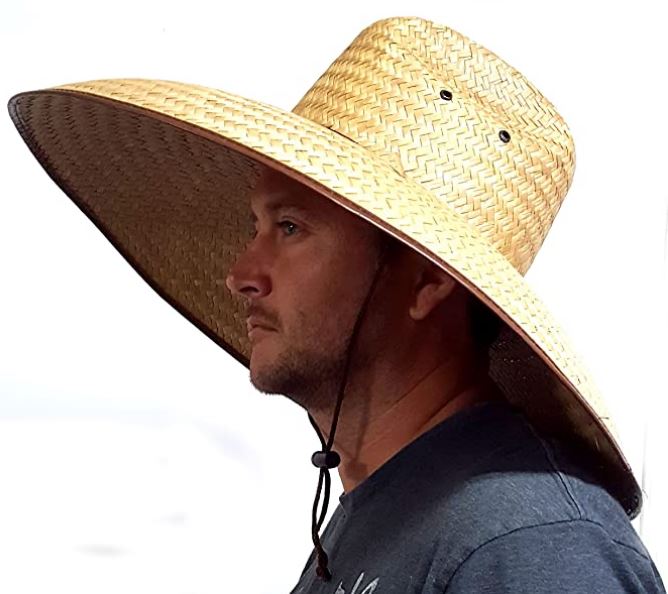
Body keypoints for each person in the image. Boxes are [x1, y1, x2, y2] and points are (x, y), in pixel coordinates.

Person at [7, 14, 665, 594]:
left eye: (290, 229)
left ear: (428, 281)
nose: (241, 274)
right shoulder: (388, 508)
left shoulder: (526, 546)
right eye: (255, 228)